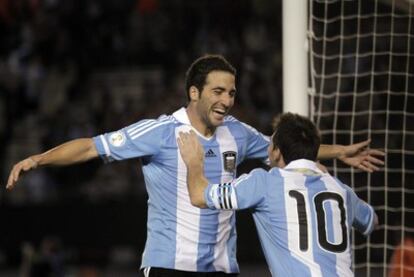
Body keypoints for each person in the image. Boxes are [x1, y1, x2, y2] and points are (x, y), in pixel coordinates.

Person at [6, 55, 384, 276]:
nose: (227, 100)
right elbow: (91, 147)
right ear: (194, 93)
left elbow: (286, 149)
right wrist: (39, 158)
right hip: (171, 267)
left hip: (222, 268)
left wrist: (334, 152)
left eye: (232, 92)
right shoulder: (161, 132)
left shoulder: (237, 132)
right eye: (218, 91)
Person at [177, 112, 378, 277]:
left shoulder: (265, 183)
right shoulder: (339, 188)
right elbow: (372, 221)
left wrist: (194, 162)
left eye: (271, 143)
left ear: (277, 152)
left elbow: (199, 196)